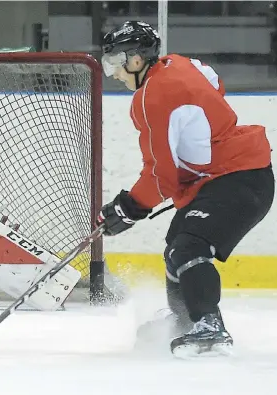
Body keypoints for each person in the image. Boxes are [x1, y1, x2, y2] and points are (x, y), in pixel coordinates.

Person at [98, 21, 274, 357]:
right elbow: (215, 84)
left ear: (136, 60)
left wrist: (129, 206)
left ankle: (208, 324)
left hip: (237, 179)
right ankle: (184, 321)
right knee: (176, 249)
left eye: (115, 62)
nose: (113, 73)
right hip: (231, 176)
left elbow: (161, 177)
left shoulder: (151, 97)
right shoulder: (181, 64)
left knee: (189, 248)